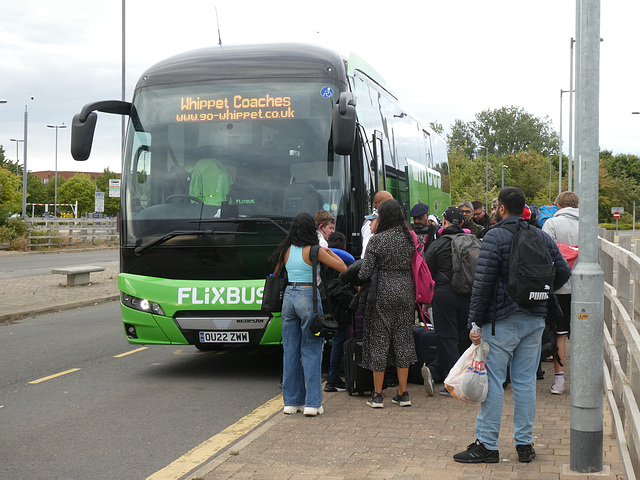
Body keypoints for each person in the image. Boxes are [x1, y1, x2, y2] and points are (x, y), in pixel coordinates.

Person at [453, 187, 570, 464]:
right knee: (525, 382)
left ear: (502, 209)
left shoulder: (495, 236)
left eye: (496, 207)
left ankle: (487, 445)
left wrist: (475, 322)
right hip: (535, 320)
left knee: (493, 382)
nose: (494, 211)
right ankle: (525, 445)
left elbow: (482, 284)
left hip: (501, 322)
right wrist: (538, 291)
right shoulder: (541, 235)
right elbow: (563, 271)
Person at [270, 213, 347, 416]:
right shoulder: (314, 251)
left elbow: (276, 272)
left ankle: (291, 402)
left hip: (288, 299)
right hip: (308, 297)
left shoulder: (285, 251)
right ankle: (312, 404)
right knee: (311, 350)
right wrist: (329, 251)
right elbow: (343, 267)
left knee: (290, 351)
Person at [358, 199, 417, 408]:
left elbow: (364, 273)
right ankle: (403, 393)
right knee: (402, 339)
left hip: (382, 291)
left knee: (380, 340)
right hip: (406, 289)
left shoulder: (377, 240)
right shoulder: (408, 238)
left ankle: (377, 395)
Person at [422, 206, 471, 397]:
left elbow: (426, 270)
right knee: (464, 337)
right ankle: (456, 376)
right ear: (462, 222)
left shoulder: (437, 244)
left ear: (444, 222)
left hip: (444, 294)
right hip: (468, 294)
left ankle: (451, 383)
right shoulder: (471, 241)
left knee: (446, 338)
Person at [542, 191, 579, 395]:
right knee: (584, 334)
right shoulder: (588, 224)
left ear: (558, 206)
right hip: (584, 287)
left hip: (560, 286)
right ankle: (585, 378)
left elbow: (546, 254)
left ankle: (559, 381)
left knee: (560, 334)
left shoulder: (552, 224)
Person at [323, 232, 356, 393]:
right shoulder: (342, 264)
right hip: (339, 309)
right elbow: (338, 289)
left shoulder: (322, 260)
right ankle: (333, 379)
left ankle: (330, 376)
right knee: (338, 342)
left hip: (323, 305)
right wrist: (353, 301)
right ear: (344, 247)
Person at [361, 190, 393, 255]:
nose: (393, 205)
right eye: (390, 202)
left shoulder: (367, 223)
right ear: (379, 203)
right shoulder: (370, 224)